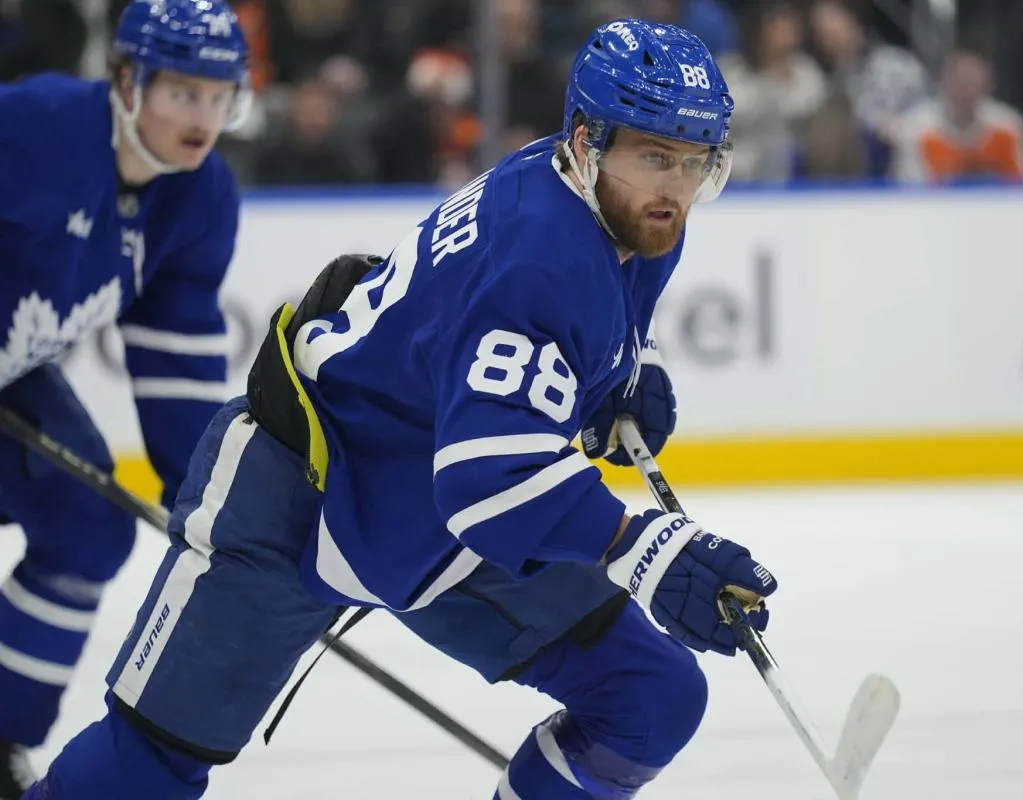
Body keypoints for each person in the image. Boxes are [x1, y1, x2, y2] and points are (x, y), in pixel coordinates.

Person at [23, 18, 778, 800]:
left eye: (696, 163)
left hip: (426, 513)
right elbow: (489, 480)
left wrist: (622, 372)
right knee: (148, 762)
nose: (675, 188)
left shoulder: (619, 206)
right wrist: (642, 546)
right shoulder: (539, 260)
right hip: (297, 493)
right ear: (587, 142)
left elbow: (529, 367)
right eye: (656, 157)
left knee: (649, 701)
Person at [0, 0, 248, 795]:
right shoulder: (35, 126)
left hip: (13, 377)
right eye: (184, 93)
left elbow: (175, 358)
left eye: (221, 96)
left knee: (89, 522)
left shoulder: (200, 195)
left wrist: (207, 504)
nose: (203, 118)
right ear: (124, 80)